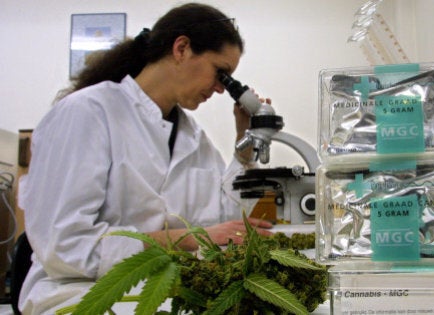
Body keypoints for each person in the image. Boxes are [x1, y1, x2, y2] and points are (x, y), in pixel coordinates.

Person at [18, 3, 273, 314]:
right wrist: (185, 240)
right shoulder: (87, 113)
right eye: (221, 73)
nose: (221, 89)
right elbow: (65, 246)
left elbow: (224, 226)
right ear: (181, 48)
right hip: (82, 291)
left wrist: (243, 146)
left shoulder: (193, 138)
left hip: (167, 286)